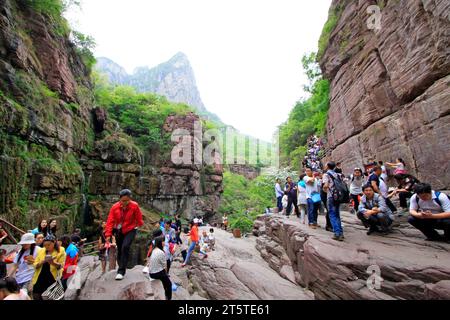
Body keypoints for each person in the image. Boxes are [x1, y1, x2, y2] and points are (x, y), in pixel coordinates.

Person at [105, 189, 144, 280]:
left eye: (126, 201)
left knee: (125, 247)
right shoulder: (115, 207)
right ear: (120, 199)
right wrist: (108, 234)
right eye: (122, 201)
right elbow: (110, 221)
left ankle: (121, 271)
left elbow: (139, 217)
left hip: (130, 229)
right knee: (120, 248)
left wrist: (139, 225)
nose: (124, 203)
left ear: (130, 199)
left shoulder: (134, 206)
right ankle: (120, 264)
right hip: (119, 230)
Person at [32, 234, 66, 300]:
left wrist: (52, 263)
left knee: (51, 296)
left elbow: (61, 266)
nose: (46, 247)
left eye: (49, 245)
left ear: (54, 243)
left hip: (52, 278)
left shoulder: (61, 250)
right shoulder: (41, 250)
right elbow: (35, 264)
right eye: (45, 245)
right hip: (40, 278)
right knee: (36, 295)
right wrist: (43, 261)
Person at [323, 162, 345, 241]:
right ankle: (341, 233)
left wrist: (325, 190)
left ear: (328, 166)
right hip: (338, 197)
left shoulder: (326, 175)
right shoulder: (338, 175)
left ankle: (337, 233)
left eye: (326, 165)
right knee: (337, 214)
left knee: (332, 214)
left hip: (331, 196)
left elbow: (325, 185)